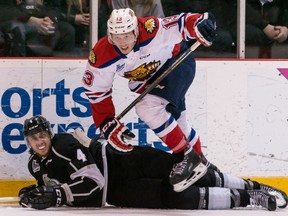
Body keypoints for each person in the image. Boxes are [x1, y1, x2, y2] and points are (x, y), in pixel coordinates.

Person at [18, 115, 288, 211]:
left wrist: (58, 194)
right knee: (178, 199)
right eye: (34, 138)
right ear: (27, 142)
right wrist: (32, 194)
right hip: (118, 192)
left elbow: (93, 182)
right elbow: (54, 185)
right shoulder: (35, 166)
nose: (39, 141)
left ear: (49, 134)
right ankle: (249, 197)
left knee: (183, 173)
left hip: (122, 162)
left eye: (42, 135)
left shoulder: (64, 145)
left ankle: (254, 185)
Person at [82, 7, 218, 193]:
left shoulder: (149, 29)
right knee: (178, 124)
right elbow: (97, 91)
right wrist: (106, 122)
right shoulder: (102, 54)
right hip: (149, 80)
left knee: (147, 107)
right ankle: (202, 164)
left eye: (127, 36)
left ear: (135, 31)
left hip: (177, 63)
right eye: (117, 36)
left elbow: (179, 24)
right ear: (109, 34)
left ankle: (185, 156)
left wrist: (198, 23)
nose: (122, 42)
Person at [0, 0, 76, 57]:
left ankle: (63, 72)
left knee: (67, 30)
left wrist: (48, 19)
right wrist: (29, 20)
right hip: (16, 20)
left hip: (42, 20)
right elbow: (4, 9)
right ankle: (17, 71)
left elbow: (54, 7)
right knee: (17, 29)